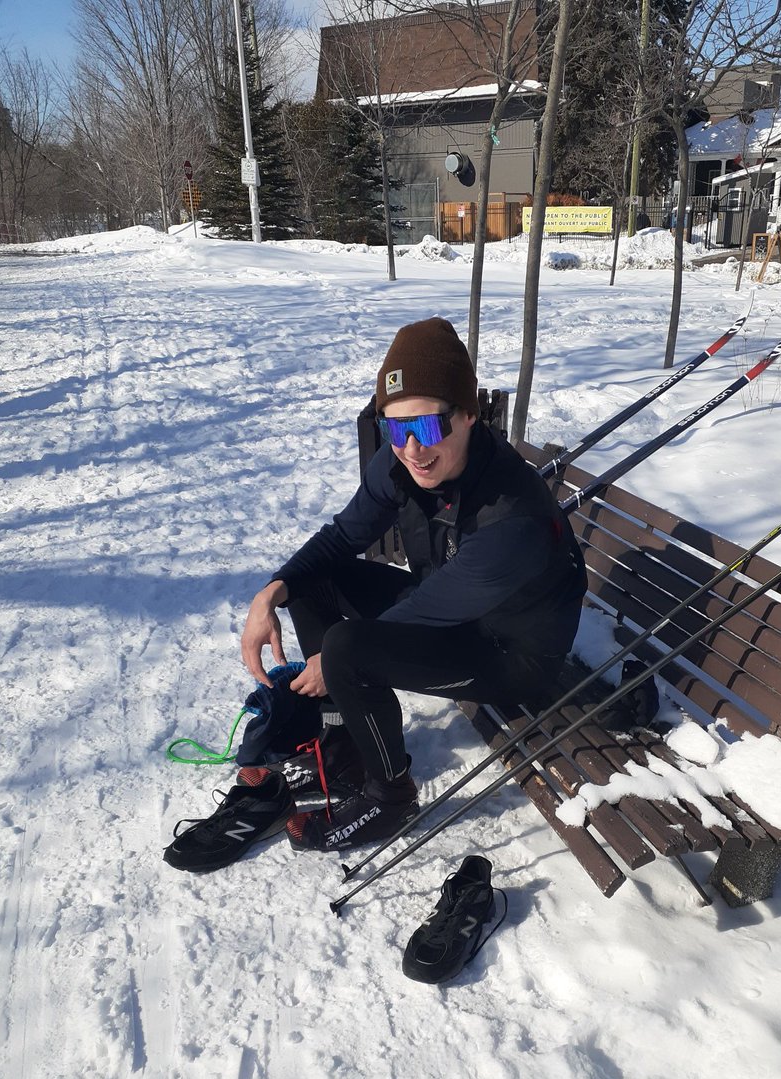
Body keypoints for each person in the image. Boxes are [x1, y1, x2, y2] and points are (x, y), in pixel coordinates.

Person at [165, 317, 587, 871]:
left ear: (468, 414)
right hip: (449, 607)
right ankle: (343, 744)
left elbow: (422, 614)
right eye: (395, 428)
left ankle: (390, 795)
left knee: (347, 650)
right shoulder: (403, 464)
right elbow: (342, 537)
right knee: (314, 583)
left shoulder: (512, 518)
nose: (412, 448)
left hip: (509, 655)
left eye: (428, 426)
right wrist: (270, 593)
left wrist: (332, 663)